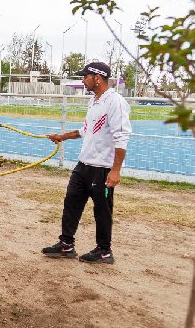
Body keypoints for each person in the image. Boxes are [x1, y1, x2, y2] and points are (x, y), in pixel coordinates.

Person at [42, 62, 132, 264]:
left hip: (103, 168)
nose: (83, 80)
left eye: (85, 77)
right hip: (84, 165)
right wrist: (62, 136)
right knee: (71, 202)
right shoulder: (93, 101)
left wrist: (115, 170)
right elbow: (85, 130)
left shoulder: (115, 102)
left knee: (102, 211)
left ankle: (104, 251)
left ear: (97, 78)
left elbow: (121, 137)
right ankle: (66, 245)